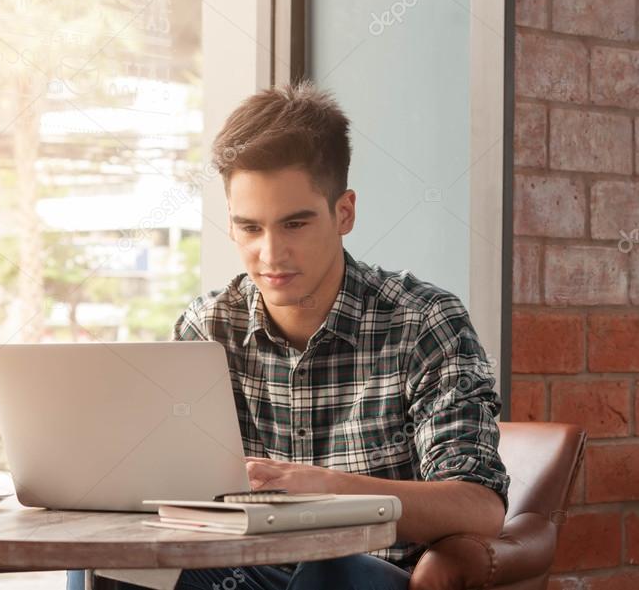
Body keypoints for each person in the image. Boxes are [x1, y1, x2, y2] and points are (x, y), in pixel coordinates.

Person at [68, 81, 508, 590]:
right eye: (250, 228)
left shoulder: (424, 322)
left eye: (294, 224)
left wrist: (329, 492)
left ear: (344, 213)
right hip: (236, 571)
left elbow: (480, 506)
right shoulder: (208, 327)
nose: (271, 254)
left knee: (331, 568)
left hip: (363, 575)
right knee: (110, 560)